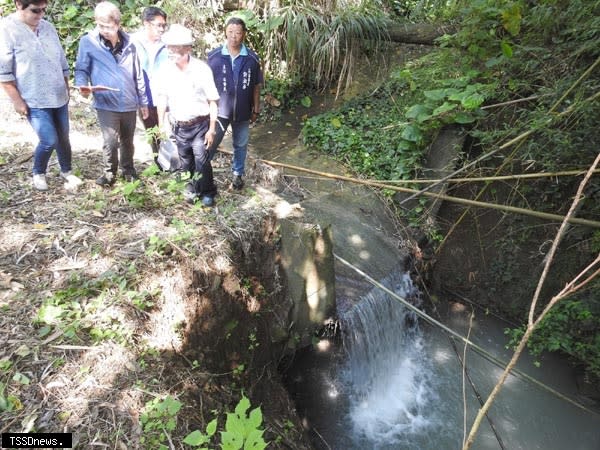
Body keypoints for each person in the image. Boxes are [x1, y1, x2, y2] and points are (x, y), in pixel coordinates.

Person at [0, 0, 82, 191]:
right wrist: (16, 100)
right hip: (33, 97)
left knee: (63, 137)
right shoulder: (7, 29)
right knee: (48, 139)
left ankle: (67, 171)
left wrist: (66, 86)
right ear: (18, 4)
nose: (40, 15)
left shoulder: (48, 27)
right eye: (35, 10)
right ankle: (38, 172)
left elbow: (61, 59)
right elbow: (4, 71)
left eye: (44, 10)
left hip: (58, 94)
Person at [74, 1, 148, 186]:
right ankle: (109, 173)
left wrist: (143, 101)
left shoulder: (131, 42)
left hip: (129, 100)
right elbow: (82, 69)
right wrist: (82, 85)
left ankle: (128, 170)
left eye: (108, 26)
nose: (104, 30)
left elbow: (138, 73)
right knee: (110, 141)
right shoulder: (88, 41)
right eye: (100, 26)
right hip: (106, 101)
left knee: (127, 140)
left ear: (118, 24)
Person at [153, 24, 219, 206]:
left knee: (201, 159)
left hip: (200, 125)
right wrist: (161, 124)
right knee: (184, 159)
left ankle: (207, 190)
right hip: (179, 125)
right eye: (169, 46)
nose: (171, 51)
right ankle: (190, 187)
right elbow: (162, 98)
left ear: (187, 48)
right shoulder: (165, 70)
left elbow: (213, 100)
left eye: (176, 47)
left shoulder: (201, 69)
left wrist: (212, 129)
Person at [207, 16, 263, 190]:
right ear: (225, 32)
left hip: (243, 111)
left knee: (240, 144)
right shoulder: (214, 57)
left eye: (238, 32)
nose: (233, 36)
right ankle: (202, 174)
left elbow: (256, 86)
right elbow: (205, 86)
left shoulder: (252, 59)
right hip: (219, 110)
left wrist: (256, 109)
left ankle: (237, 175)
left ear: (244, 34)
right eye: (230, 32)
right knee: (211, 143)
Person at [130, 6, 168, 168]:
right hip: (143, 95)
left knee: (165, 128)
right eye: (158, 25)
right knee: (151, 129)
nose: (161, 29)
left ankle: (171, 161)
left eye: (163, 25)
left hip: (164, 94)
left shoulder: (168, 43)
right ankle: (158, 161)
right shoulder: (132, 42)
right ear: (146, 24)